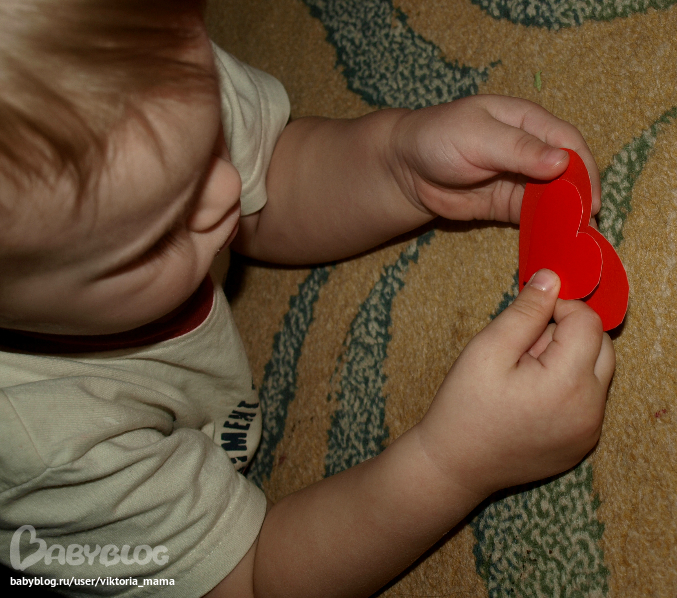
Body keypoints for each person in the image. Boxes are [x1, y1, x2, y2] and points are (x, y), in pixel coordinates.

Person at [0, 1, 615, 596]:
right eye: (158, 233)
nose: (226, 189)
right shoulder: (46, 458)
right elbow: (249, 579)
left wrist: (399, 166)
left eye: (211, 137)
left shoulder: (131, 72)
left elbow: (268, 180)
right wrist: (453, 464)